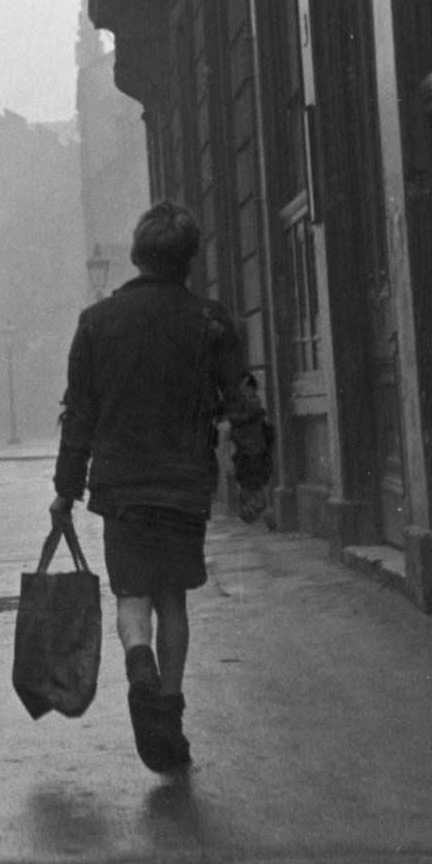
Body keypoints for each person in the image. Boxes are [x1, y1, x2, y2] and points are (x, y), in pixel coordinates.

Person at [50, 201, 272, 773]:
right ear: (191, 260)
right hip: (183, 486)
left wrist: (65, 490)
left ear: (135, 255)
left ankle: (139, 671)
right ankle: (168, 712)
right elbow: (243, 406)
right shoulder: (213, 321)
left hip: (122, 488)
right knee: (173, 599)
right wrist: (253, 479)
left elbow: (79, 415)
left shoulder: (97, 322)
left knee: (132, 598)